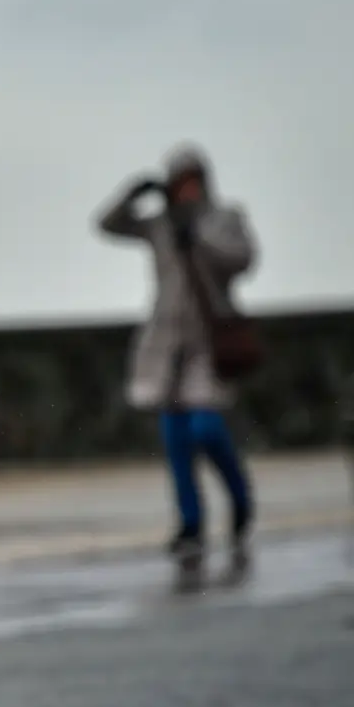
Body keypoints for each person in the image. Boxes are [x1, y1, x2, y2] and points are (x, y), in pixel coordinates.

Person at [97, 144, 259, 561]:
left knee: (205, 427)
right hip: (167, 343)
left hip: (210, 339)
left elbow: (243, 260)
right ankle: (190, 524)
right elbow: (108, 224)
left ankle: (240, 495)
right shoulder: (160, 226)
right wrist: (134, 192)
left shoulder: (225, 219)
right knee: (176, 441)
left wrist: (200, 241)